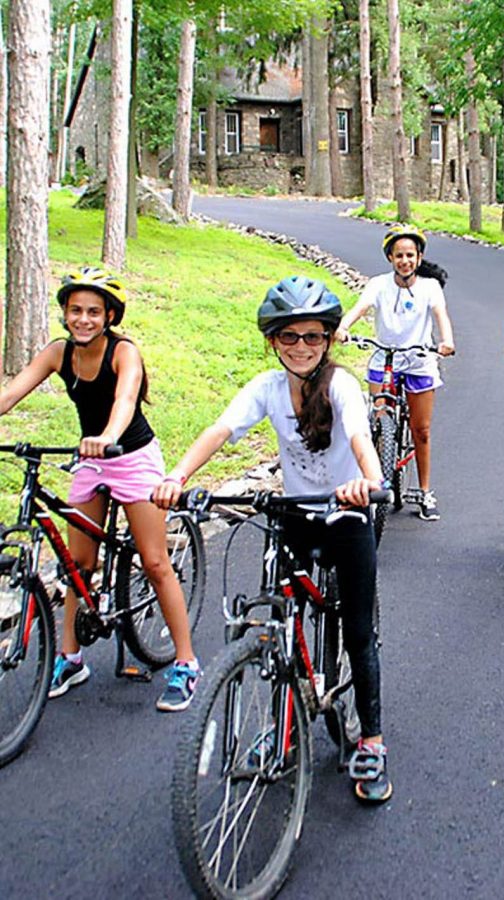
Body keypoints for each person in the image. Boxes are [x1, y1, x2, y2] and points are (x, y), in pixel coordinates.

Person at [153, 275, 393, 803]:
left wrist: (368, 482)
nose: (301, 347)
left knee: (356, 630)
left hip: (346, 513)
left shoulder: (341, 387)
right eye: (289, 337)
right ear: (272, 342)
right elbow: (220, 430)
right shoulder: (265, 388)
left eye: (312, 337)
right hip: (294, 514)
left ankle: (371, 741)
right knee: (279, 614)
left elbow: (358, 436)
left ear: (328, 340)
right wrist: (178, 477)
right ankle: (285, 725)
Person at [0, 267, 200, 710]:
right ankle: (71, 657)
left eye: (93, 311)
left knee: (153, 561)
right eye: (75, 311)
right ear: (65, 315)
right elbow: (11, 393)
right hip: (91, 460)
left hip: (130, 455)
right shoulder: (58, 352)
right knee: (78, 565)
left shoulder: (123, 352)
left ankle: (185, 662)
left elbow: (125, 401)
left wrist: (108, 436)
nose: (83, 319)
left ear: (109, 315)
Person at [336, 224, 455, 521]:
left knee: (421, 430)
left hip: (419, 361)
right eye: (399, 255)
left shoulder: (430, 287)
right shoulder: (378, 285)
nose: (405, 261)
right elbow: (360, 308)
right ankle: (374, 483)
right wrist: (343, 327)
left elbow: (441, 316)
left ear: (419, 257)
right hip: (384, 360)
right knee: (375, 424)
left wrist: (446, 341)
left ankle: (425, 491)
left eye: (410, 255)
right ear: (390, 258)